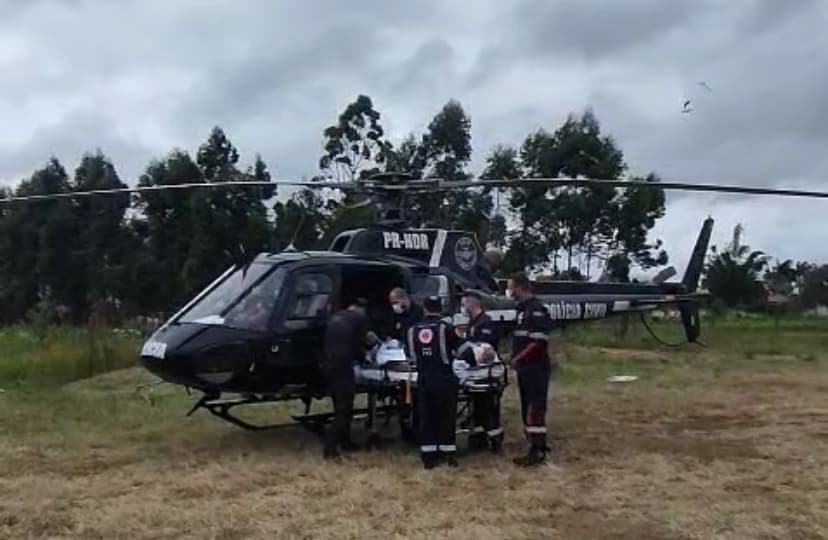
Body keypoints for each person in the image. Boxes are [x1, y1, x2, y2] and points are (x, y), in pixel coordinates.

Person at [407, 296, 476, 469]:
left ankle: (429, 456)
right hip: (444, 379)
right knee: (446, 417)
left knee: (426, 417)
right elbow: (464, 350)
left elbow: (409, 355)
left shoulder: (412, 330)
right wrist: (473, 362)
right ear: (440, 309)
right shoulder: (446, 329)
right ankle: (447, 453)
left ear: (424, 309)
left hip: (423, 379)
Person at [506, 272, 557, 467]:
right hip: (524, 368)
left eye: (511, 287)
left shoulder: (536, 310)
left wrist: (518, 358)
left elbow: (538, 342)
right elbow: (522, 340)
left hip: (536, 368)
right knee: (527, 406)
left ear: (521, 287)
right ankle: (535, 443)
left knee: (534, 409)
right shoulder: (522, 310)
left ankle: (537, 451)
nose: (510, 291)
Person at [321, 297, 378, 459]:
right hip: (342, 367)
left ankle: (346, 441)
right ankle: (330, 449)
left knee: (339, 405)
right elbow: (360, 345)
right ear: (362, 309)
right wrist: (367, 356)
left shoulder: (336, 316)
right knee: (344, 409)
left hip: (328, 365)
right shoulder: (360, 318)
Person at [461, 291, 503, 453]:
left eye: (465, 304)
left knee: (487, 408)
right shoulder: (473, 322)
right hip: (475, 372)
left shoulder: (486, 323)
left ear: (472, 304)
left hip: (486, 373)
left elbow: (486, 350)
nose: (463, 308)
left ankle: (495, 439)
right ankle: (479, 438)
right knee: (477, 408)